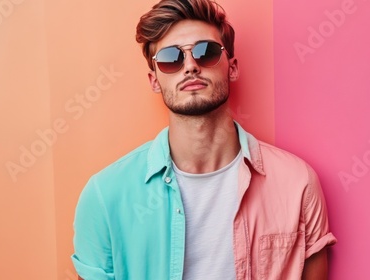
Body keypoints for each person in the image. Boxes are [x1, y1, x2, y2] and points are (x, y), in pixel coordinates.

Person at [72, 0, 337, 279]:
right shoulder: (106, 195)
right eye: (170, 58)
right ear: (154, 80)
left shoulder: (296, 184)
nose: (190, 66)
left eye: (206, 52)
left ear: (232, 67)